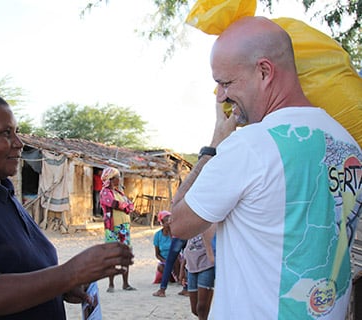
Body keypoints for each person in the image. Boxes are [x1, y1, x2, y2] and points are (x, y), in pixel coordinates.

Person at [170, 16, 362, 319]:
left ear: (264, 71)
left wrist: (214, 145)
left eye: (225, 83)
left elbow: (177, 223)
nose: (221, 96)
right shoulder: (349, 144)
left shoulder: (250, 147)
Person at [0, 90, 134, 320]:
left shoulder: (0, 193)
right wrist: (67, 275)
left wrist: (58, 288)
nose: (18, 143)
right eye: (5, 134)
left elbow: (16, 270)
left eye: (16, 132)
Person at [99, 166, 136, 292]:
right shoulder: (105, 192)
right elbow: (114, 204)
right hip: (113, 228)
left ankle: (125, 284)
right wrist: (126, 206)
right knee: (112, 256)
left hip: (124, 228)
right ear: (111, 179)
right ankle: (111, 284)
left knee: (125, 255)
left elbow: (131, 206)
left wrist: (126, 206)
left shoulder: (119, 193)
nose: (119, 180)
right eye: (117, 178)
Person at [179, 225, 216, 320]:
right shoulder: (192, 225)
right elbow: (187, 248)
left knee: (202, 307)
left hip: (206, 265)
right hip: (191, 267)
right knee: (195, 309)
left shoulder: (211, 224)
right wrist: (182, 269)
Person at [152, 211, 176, 284]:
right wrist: (165, 261)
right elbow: (157, 254)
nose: (168, 223)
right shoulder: (157, 235)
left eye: (170, 221)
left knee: (176, 260)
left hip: (176, 259)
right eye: (166, 221)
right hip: (164, 260)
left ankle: (177, 278)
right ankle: (171, 278)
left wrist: (170, 234)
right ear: (162, 222)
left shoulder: (175, 233)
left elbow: (175, 247)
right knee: (161, 267)